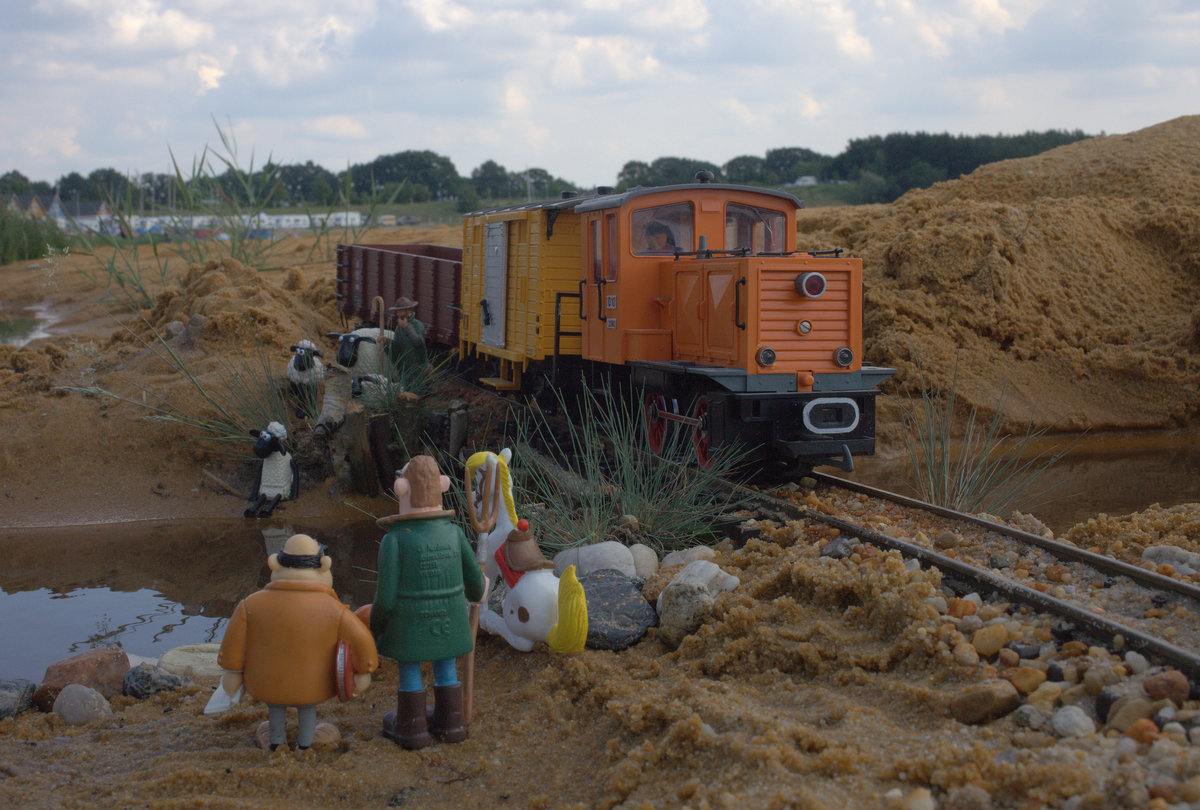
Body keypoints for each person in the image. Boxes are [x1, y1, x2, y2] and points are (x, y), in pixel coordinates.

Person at [216, 534, 379, 751]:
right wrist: (363, 671)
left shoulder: (250, 604)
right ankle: (305, 745)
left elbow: (233, 643)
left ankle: (276, 743)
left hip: (266, 682)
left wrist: (233, 672)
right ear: (323, 569)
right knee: (307, 708)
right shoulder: (334, 610)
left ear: (276, 565)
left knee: (275, 707)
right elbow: (361, 640)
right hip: (314, 684)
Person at [370, 455, 486, 749]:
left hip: (408, 626)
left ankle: (412, 727)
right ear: (442, 486)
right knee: (446, 663)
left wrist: (376, 627)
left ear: (402, 489)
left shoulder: (394, 540)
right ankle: (451, 721)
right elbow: (474, 585)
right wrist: (478, 592)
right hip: (449, 622)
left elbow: (384, 599)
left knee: (410, 665)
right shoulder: (455, 534)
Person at [386, 296, 429, 376]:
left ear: (408, 311)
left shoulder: (418, 325)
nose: (398, 314)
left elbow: (418, 342)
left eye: (400, 311)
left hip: (420, 369)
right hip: (406, 370)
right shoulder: (399, 328)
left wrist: (406, 326)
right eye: (397, 311)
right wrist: (386, 341)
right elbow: (397, 347)